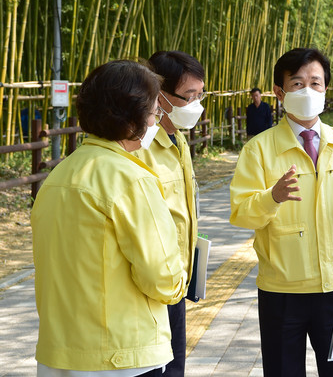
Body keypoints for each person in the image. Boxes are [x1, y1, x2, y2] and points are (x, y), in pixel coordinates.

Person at [230, 48, 333, 377]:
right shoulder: (258, 149)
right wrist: (271, 197)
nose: (308, 91)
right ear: (279, 91)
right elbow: (242, 214)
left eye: (316, 83)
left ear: (326, 89)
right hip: (282, 289)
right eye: (298, 83)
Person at [31, 60, 187, 376]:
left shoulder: (59, 175)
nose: (156, 120)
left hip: (59, 351)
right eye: (155, 111)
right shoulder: (132, 180)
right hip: (122, 354)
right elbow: (163, 278)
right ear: (132, 117)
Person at [135, 50, 206, 377]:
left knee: (175, 367)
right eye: (189, 96)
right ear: (159, 96)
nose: (196, 104)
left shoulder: (178, 140)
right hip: (149, 284)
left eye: (201, 95)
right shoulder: (141, 149)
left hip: (178, 279)